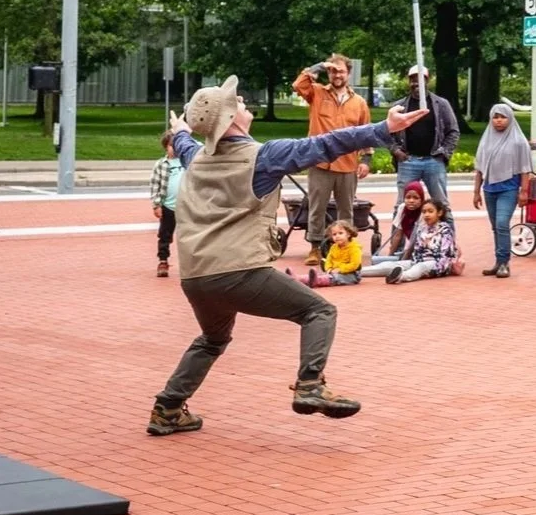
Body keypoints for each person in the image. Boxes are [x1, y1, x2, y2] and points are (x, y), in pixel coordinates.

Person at [146, 76, 428, 435]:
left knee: (213, 339)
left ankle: (168, 409)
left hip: (196, 277)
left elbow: (184, 143)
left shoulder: (196, 157)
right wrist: (382, 129)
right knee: (319, 311)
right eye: (239, 103)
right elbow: (326, 144)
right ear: (232, 118)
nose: (244, 103)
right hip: (239, 271)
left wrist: (182, 128)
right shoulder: (263, 157)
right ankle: (310, 385)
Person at [291, 54, 372, 266]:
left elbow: (365, 133)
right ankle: (315, 248)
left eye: (341, 71)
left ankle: (348, 248)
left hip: (347, 164)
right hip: (320, 162)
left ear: (348, 74)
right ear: (328, 73)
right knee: (317, 207)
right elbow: (298, 84)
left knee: (346, 210)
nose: (337, 75)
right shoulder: (317, 92)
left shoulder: (359, 103)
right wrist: (318, 66)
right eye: (333, 71)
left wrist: (367, 160)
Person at [382, 64, 459, 215]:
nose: (416, 83)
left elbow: (453, 131)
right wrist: (396, 151)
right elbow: (387, 133)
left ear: (428, 81)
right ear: (408, 81)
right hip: (408, 161)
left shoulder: (441, 104)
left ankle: (448, 238)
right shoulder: (400, 106)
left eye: (421, 79)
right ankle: (398, 238)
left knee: (442, 205)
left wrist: (443, 153)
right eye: (412, 80)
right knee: (402, 206)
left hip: (434, 161)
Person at [471, 101, 535, 279]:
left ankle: (504, 262)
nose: (498, 121)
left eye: (503, 117)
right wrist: (476, 191)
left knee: (501, 224)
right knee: (495, 227)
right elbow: (480, 168)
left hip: (509, 188)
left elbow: (525, 169)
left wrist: (524, 191)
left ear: (510, 118)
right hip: (489, 188)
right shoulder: (486, 140)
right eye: (495, 117)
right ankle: (498, 262)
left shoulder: (518, 141)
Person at [359, 195, 458, 282]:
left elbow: (446, 257)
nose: (427, 215)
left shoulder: (445, 230)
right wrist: (411, 262)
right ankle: (356, 272)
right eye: (424, 212)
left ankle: (400, 276)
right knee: (390, 264)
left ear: (439, 213)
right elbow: (417, 250)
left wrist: (435, 271)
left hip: (435, 265)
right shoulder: (422, 229)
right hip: (417, 261)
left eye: (430, 211)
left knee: (420, 267)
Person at [150, 132, 181, 278]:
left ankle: (192, 264)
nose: (174, 148)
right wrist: (156, 205)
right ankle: (163, 260)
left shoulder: (188, 162)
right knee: (165, 235)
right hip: (168, 207)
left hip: (187, 206)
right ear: (165, 147)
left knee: (190, 236)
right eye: (171, 145)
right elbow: (155, 185)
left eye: (177, 145)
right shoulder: (161, 164)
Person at [379, 178, 428, 261]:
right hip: (411, 248)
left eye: (416, 198)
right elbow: (398, 235)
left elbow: (420, 238)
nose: (411, 201)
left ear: (422, 199)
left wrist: (405, 257)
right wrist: (389, 256)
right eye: (408, 197)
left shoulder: (424, 211)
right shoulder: (402, 208)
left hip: (425, 247)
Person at [306, 221, 363, 287]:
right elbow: (329, 259)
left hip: (352, 273)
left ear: (348, 234)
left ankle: (317, 281)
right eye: (334, 234)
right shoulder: (334, 247)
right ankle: (300, 279)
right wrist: (329, 269)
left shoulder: (354, 248)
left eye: (340, 233)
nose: (337, 236)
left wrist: (340, 270)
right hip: (334, 271)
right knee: (323, 274)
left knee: (336, 278)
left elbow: (354, 264)